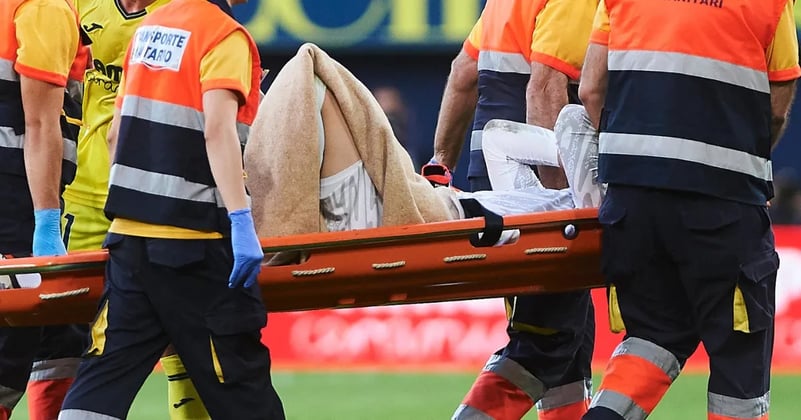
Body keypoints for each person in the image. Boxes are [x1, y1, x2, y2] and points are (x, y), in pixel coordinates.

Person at [58, 0, 286, 418]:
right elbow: (217, 131)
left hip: (130, 241)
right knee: (239, 381)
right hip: (195, 245)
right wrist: (240, 218)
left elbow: (116, 133)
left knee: (103, 377)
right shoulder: (224, 35)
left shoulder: (151, 28)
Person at [578, 0, 800, 418]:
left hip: (632, 204)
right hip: (723, 207)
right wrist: (745, 167)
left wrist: (632, 163)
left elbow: (591, 89)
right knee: (739, 364)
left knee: (653, 336)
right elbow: (776, 106)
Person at [429, 1, 599, 418]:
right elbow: (544, 89)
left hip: (493, 189)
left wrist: (440, 167)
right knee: (547, 340)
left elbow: (462, 74)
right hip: (530, 192)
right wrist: (560, 210)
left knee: (568, 337)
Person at [65, 0, 214, 418]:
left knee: (180, 334)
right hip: (82, 196)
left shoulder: (184, 15)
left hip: (154, 200)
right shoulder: (79, 6)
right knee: (62, 334)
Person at [0, 1, 90, 418]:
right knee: (12, 340)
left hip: (19, 191)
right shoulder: (44, 9)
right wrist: (46, 221)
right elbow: (39, 124)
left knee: (61, 333)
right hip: (16, 196)